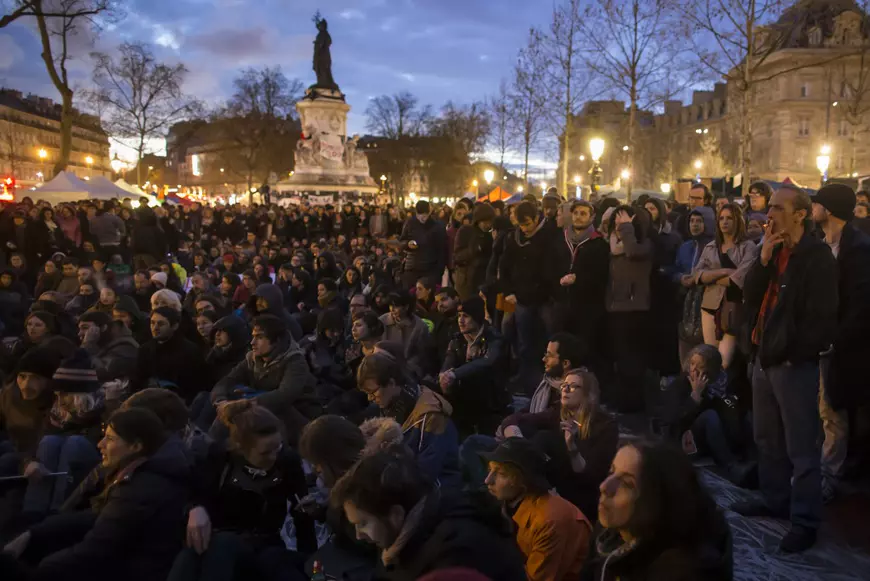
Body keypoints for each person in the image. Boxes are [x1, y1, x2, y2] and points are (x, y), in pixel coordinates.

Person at [732, 184, 838, 553]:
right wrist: (762, 260)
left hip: (792, 363)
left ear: (800, 214)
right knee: (767, 438)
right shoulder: (772, 250)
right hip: (764, 356)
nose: (768, 213)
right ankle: (774, 499)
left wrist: (796, 352)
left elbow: (822, 317)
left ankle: (805, 520)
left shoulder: (817, 256)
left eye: (777, 207)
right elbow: (750, 296)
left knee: (801, 446)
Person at [3, 407, 190, 581]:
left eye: (110, 439)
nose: (100, 444)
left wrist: (40, 571)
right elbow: (96, 518)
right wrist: (35, 534)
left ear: (136, 446)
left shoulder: (141, 488)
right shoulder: (138, 473)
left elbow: (95, 550)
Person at [168, 400, 315, 581]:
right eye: (265, 452)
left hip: (263, 543)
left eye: (278, 447)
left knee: (224, 546)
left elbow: (302, 514)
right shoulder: (220, 458)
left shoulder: (287, 463)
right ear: (241, 447)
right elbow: (195, 491)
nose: (273, 456)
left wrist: (309, 560)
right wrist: (195, 508)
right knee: (190, 556)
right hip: (217, 538)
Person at [331, 448, 526, 581]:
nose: (358, 534)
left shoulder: (455, 557)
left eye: (363, 523)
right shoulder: (413, 531)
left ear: (396, 514)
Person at [581, 441, 732, 581]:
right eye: (611, 472)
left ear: (658, 500)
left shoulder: (680, 573)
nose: (604, 487)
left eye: (627, 484)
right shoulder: (608, 535)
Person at [810, 183, 870, 503]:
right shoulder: (822, 245)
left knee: (833, 411)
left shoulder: (858, 248)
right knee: (821, 409)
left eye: (816, 202)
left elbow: (860, 304)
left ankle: (829, 475)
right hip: (820, 342)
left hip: (843, 347)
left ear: (829, 209)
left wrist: (835, 340)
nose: (811, 207)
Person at [483, 437, 591, 581]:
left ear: (524, 482)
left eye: (501, 473)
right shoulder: (502, 500)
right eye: (490, 469)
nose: (488, 480)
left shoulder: (548, 521)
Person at [357, 351, 460, 488]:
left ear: (392, 383)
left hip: (438, 488)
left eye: (373, 392)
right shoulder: (391, 405)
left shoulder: (431, 416)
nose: (370, 398)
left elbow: (426, 473)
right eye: (367, 393)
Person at [211, 314, 319, 445]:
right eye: (253, 336)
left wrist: (243, 405)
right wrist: (221, 402)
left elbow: (284, 395)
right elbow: (227, 380)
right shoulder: (253, 358)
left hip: (297, 415)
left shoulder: (295, 361)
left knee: (237, 412)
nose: (252, 342)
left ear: (277, 341)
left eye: (260, 337)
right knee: (211, 401)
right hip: (264, 408)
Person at [663, 344, 752, 486]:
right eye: (692, 363)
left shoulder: (717, 385)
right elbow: (673, 422)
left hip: (706, 442)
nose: (693, 369)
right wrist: (694, 397)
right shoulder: (680, 385)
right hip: (683, 441)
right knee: (710, 416)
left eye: (700, 366)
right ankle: (731, 467)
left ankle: (748, 459)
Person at [498, 201, 559, 393]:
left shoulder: (548, 236)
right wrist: (508, 291)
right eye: (521, 225)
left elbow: (550, 270)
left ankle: (551, 376)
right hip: (520, 297)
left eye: (527, 224)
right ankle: (525, 376)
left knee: (549, 336)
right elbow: (504, 266)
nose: (524, 229)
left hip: (543, 295)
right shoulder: (513, 238)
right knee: (523, 338)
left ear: (536, 219)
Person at [691, 203, 758, 370]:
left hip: (733, 306)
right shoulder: (711, 246)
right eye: (721, 218)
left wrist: (711, 277)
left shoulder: (748, 247)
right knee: (710, 357)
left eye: (729, 218)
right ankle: (711, 393)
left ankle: (722, 392)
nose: (724, 222)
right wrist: (725, 271)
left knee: (724, 361)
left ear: (738, 221)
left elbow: (737, 280)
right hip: (709, 305)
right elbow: (697, 275)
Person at [605, 206, 653, 413]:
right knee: (621, 357)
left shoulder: (645, 244)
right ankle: (622, 399)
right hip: (616, 306)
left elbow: (632, 250)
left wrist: (626, 228)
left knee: (633, 359)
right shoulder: (614, 244)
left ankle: (634, 403)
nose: (618, 226)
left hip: (635, 307)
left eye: (623, 221)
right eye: (616, 222)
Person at [439, 296, 508, 438]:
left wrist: (454, 374)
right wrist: (443, 375)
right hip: (462, 397)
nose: (460, 320)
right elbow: (449, 358)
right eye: (459, 316)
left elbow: (486, 362)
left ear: (477, 318)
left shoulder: (494, 338)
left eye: (466, 316)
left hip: (490, 399)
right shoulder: (458, 339)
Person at [555, 200, 609, 373]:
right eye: (576, 213)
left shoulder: (599, 243)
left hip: (588, 307)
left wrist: (578, 278)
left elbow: (601, 274)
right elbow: (549, 266)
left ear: (592, 217)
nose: (578, 217)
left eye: (583, 213)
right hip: (563, 304)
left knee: (586, 349)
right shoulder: (561, 239)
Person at [136, 306, 212, 403]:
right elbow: (138, 380)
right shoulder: (145, 350)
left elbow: (198, 385)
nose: (155, 328)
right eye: (152, 323)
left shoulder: (189, 351)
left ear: (174, 326)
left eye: (161, 324)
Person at [674, 208, 715, 361]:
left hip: (707, 302)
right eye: (692, 221)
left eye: (699, 221)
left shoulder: (715, 246)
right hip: (687, 304)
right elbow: (675, 269)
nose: (694, 225)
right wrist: (680, 277)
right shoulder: (685, 247)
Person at [379, 290, 432, 379]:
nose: (392, 309)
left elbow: (421, 355)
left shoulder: (420, 327)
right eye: (391, 305)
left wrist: (406, 367)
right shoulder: (382, 321)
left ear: (406, 307)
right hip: (383, 366)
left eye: (396, 306)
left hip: (409, 370)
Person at [78, 311, 139, 382]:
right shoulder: (99, 345)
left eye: (85, 328)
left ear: (103, 328)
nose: (79, 333)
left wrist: (88, 345)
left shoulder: (125, 347)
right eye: (79, 329)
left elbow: (102, 374)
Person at [400, 200, 447, 289]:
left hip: (430, 269)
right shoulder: (410, 223)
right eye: (420, 215)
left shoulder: (437, 226)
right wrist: (407, 244)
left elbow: (442, 249)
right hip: (412, 267)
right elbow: (402, 241)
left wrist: (439, 271)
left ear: (429, 212)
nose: (423, 218)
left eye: (425, 215)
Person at [453, 203, 495, 301]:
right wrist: (474, 249)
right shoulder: (466, 231)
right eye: (484, 222)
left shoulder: (492, 233)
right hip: (467, 281)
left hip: (485, 280)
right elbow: (457, 256)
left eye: (490, 222)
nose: (487, 225)